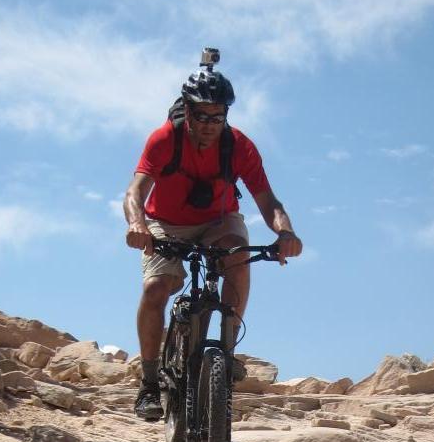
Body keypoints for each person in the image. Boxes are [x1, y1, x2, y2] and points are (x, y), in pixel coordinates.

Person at [123, 55, 303, 421]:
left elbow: (268, 200)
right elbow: (134, 193)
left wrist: (285, 231)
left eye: (216, 117)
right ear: (186, 112)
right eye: (200, 116)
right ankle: (149, 382)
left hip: (218, 220)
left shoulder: (239, 147)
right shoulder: (164, 140)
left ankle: (225, 347)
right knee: (158, 287)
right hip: (165, 222)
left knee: (236, 256)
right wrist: (137, 225)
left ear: (226, 116)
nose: (208, 125)